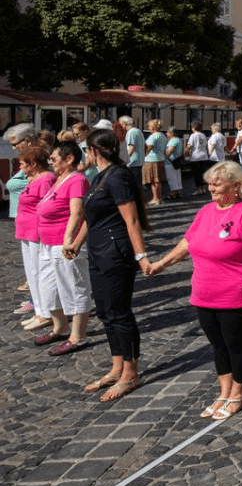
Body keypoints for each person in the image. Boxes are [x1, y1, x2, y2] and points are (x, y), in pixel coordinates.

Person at [148, 161, 242, 420]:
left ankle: (239, 393)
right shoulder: (206, 211)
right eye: (209, 183)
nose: (210, 188)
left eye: (216, 184)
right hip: (203, 291)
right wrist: (162, 263)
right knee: (218, 345)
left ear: (235, 185)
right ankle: (224, 392)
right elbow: (187, 242)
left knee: (235, 344)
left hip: (235, 292)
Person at [70, 128, 153, 402]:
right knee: (105, 312)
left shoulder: (117, 177)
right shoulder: (98, 178)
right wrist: (77, 242)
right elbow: (90, 216)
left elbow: (131, 220)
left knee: (119, 313)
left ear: (93, 150)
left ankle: (131, 373)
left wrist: (141, 257)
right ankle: (117, 366)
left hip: (115, 252)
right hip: (97, 250)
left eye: (86, 150)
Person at [36, 141, 93, 355]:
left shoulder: (77, 180)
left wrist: (70, 239)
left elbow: (77, 213)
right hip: (47, 242)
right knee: (48, 289)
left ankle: (78, 336)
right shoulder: (61, 178)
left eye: (53, 159)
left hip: (64, 242)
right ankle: (60, 327)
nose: (51, 163)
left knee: (74, 287)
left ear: (69, 159)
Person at [14, 146, 54, 332]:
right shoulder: (36, 178)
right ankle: (39, 310)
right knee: (32, 273)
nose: (21, 168)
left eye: (23, 164)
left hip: (37, 232)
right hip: (26, 231)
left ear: (34, 164)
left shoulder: (46, 179)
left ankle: (45, 312)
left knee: (40, 273)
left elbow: (47, 206)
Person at [6, 124, 39, 319]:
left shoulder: (36, 159)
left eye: (15, 143)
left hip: (33, 218)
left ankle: (39, 303)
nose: (14, 148)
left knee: (36, 264)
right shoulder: (27, 159)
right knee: (31, 264)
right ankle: (36, 299)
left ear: (27, 140)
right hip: (24, 218)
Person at [143, 119, 168, 207]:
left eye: (149, 126)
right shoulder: (162, 135)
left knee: (154, 180)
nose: (148, 127)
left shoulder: (154, 136)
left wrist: (143, 155)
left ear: (153, 127)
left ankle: (156, 198)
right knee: (157, 181)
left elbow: (149, 147)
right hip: (160, 158)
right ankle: (158, 198)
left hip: (152, 160)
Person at [186, 121, 210, 195]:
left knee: (197, 174)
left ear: (193, 128)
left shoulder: (193, 136)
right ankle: (203, 189)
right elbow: (206, 145)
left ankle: (199, 189)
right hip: (204, 156)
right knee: (202, 173)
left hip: (196, 157)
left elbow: (189, 146)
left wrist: (185, 153)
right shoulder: (203, 135)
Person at [121, 116, 145, 189]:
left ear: (125, 124)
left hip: (132, 162)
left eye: (121, 124)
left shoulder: (131, 132)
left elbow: (131, 148)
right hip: (139, 161)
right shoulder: (138, 131)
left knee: (132, 185)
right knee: (138, 184)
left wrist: (124, 160)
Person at [164, 127, 184, 200]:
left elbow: (170, 150)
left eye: (167, 132)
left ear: (172, 133)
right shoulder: (178, 140)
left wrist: (165, 157)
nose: (166, 133)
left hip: (170, 162)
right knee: (177, 177)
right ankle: (178, 191)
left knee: (171, 177)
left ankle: (173, 192)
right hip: (176, 161)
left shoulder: (172, 141)